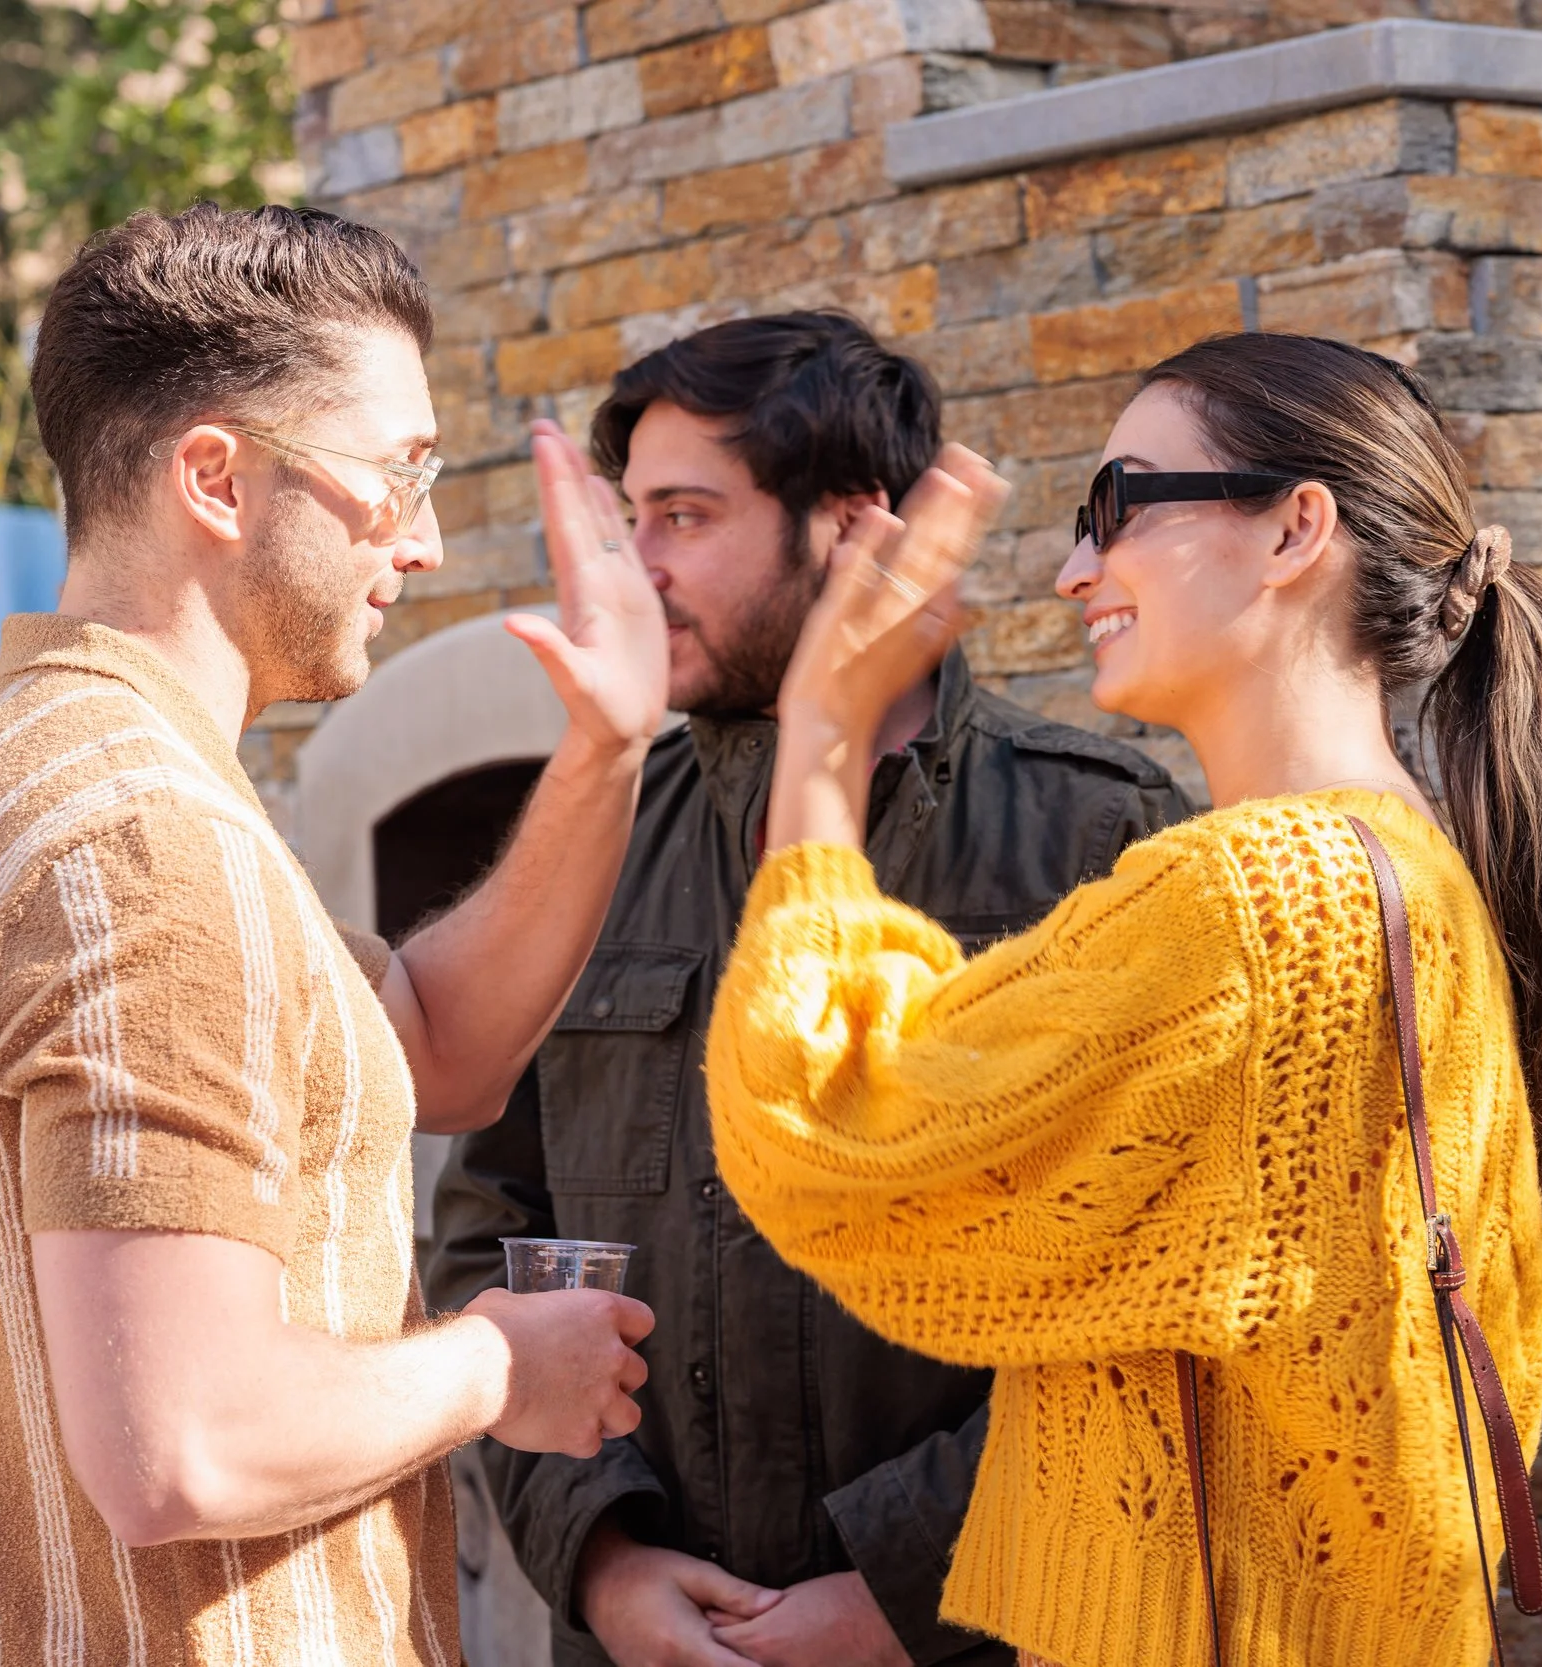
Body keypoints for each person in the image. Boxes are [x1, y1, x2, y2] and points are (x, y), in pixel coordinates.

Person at [702, 332, 1542, 1666]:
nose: (1072, 565)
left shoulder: (1255, 903)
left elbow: (829, 1121)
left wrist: (819, 735)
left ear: (1293, 529)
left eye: (1114, 507)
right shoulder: (1408, 864)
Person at [0, 204, 675, 1666]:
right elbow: (188, 1442)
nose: (418, 542)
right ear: (216, 479)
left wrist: (605, 751)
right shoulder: (147, 841)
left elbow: (426, 1048)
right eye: (394, 476)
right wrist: (495, 1364)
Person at [427, 312, 1185, 1667]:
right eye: (634, 519)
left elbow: (1151, 1313)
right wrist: (602, 1559)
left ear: (849, 533)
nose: (640, 567)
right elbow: (489, 1227)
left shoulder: (1090, 841)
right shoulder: (594, 832)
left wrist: (902, 1591)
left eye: (685, 516)